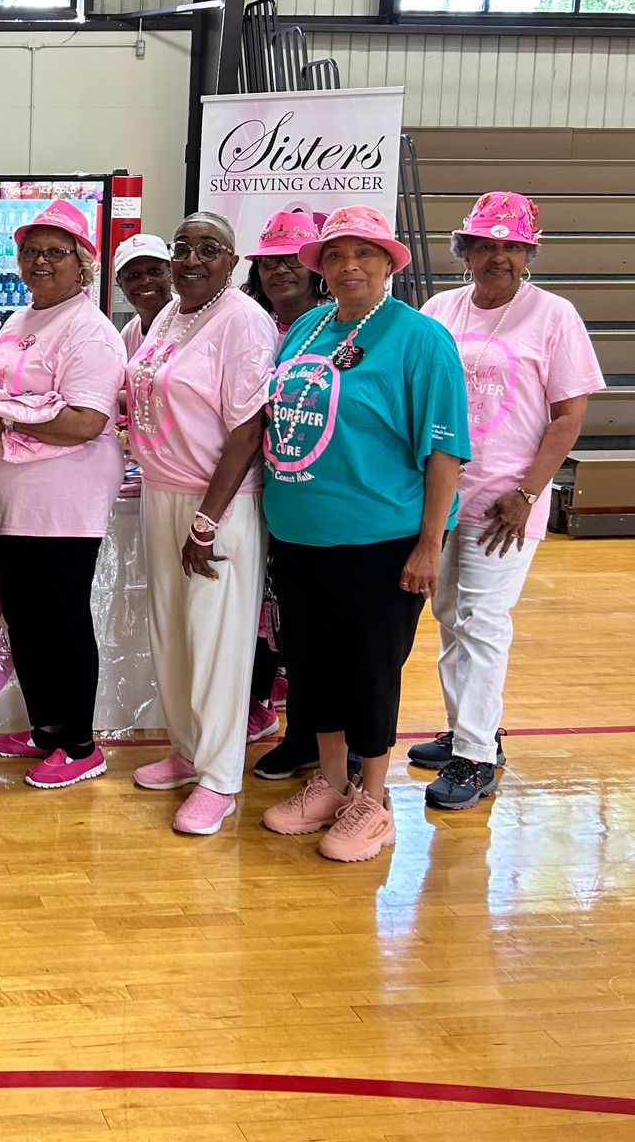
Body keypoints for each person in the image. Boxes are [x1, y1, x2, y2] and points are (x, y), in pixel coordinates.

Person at [258, 206, 470, 863]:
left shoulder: (420, 338)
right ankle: (328, 781)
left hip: (381, 537)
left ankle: (371, 802)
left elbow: (445, 448)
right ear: (320, 266)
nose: (349, 265)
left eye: (365, 253)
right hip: (300, 532)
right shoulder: (307, 329)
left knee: (369, 670)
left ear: (389, 262)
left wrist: (430, 542)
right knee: (314, 668)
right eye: (337, 254)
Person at [416, 192, 603, 809]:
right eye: (485, 243)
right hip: (442, 497)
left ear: (528, 254)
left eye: (511, 246)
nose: (498, 255)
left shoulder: (554, 315)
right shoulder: (441, 308)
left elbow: (568, 418)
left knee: (485, 623)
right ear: (465, 250)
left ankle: (474, 760)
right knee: (448, 618)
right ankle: (470, 732)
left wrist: (527, 493)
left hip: (507, 502)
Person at [123, 213, 277, 835]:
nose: (189, 260)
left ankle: (220, 776)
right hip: (160, 492)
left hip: (216, 502)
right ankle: (187, 751)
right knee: (173, 631)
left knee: (216, 637)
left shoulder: (243, 320)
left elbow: (247, 428)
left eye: (206, 250)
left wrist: (209, 519)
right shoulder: (168, 315)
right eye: (181, 247)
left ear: (232, 261)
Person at [0, 199, 124, 789]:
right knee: (27, 619)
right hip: (13, 499)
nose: (39, 261)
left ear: (83, 264)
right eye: (31, 250)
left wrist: (5, 422)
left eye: (55, 252)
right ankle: (46, 728)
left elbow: (86, 420)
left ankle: (82, 744)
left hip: (65, 501)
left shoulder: (91, 331)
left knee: (59, 619)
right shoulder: (19, 319)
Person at [242, 208, 331, 770]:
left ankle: (316, 744)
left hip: (322, 498)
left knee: (319, 628)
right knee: (280, 614)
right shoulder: (250, 323)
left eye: (290, 260)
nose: (279, 271)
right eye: (269, 261)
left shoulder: (338, 329)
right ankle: (289, 730)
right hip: (265, 491)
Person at [113, 234, 174, 358]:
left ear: (171, 273)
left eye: (154, 271)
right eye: (133, 275)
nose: (145, 281)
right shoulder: (128, 335)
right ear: (120, 284)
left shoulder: (191, 322)